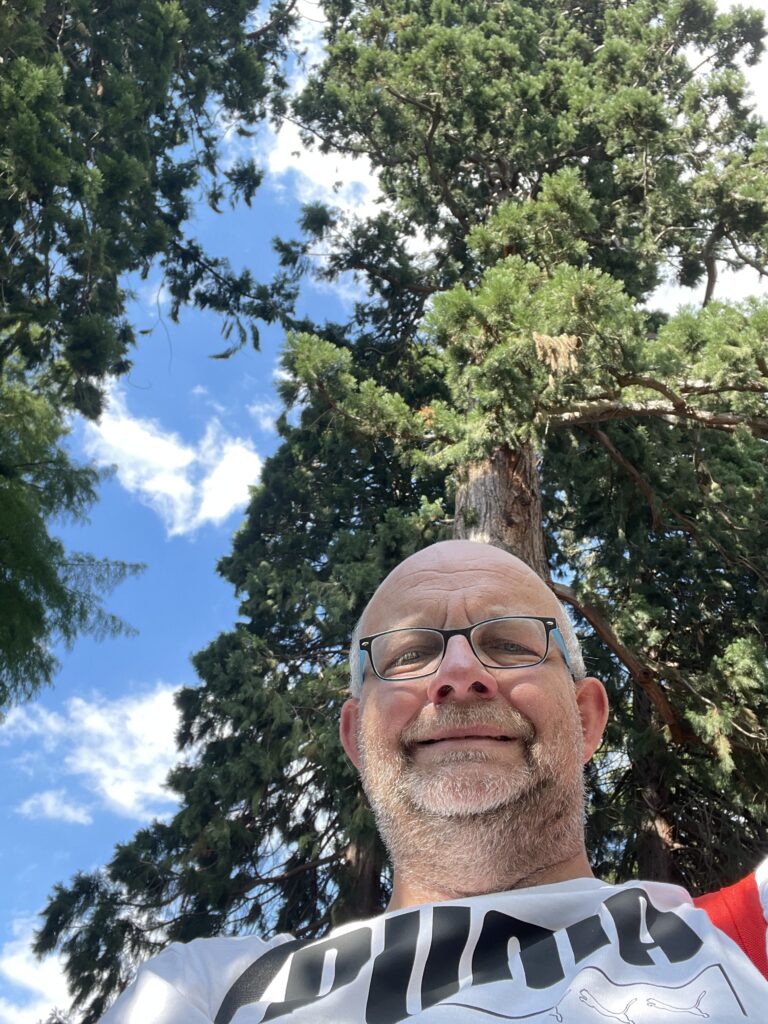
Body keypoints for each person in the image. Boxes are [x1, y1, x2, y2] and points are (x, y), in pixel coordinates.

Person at [101, 540, 768, 1022]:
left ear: (589, 718)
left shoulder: (745, 941)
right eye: (410, 653)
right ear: (357, 739)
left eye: (509, 643)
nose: (457, 673)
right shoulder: (207, 992)